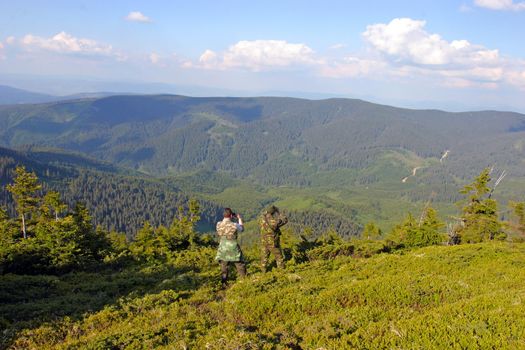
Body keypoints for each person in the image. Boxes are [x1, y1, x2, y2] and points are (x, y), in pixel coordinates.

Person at [215, 207, 246, 287]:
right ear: (231, 216)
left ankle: (224, 283)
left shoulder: (218, 224)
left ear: (223, 215)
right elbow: (242, 228)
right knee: (239, 263)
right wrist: (239, 218)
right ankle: (244, 281)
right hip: (233, 246)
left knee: (224, 265)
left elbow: (220, 232)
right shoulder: (234, 225)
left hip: (222, 247)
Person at [259, 205, 288, 272]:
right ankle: (282, 271)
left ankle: (263, 271)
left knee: (264, 257)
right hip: (272, 241)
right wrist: (280, 214)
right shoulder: (270, 218)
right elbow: (277, 224)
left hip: (264, 240)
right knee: (279, 257)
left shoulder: (262, 217)